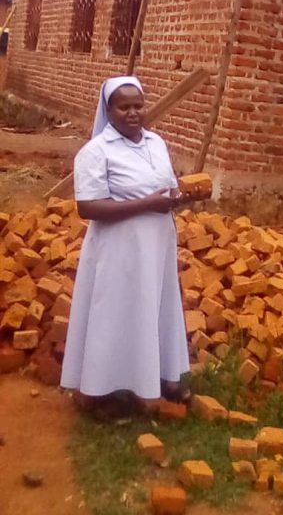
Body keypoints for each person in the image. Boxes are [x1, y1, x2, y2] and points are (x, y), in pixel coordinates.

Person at [60, 76, 195, 418]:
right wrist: (147, 205)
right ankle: (100, 391)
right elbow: (88, 207)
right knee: (116, 314)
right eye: (124, 106)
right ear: (108, 111)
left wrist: (178, 198)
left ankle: (161, 376)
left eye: (138, 105)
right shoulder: (96, 152)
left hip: (157, 245)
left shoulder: (156, 143)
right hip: (118, 250)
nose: (133, 113)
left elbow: (164, 188)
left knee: (155, 307)